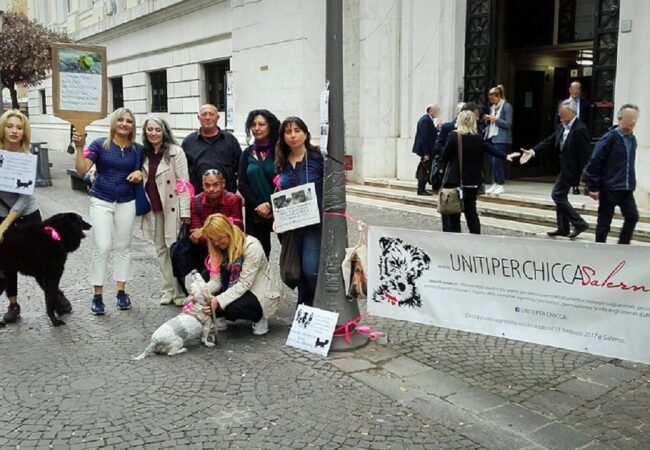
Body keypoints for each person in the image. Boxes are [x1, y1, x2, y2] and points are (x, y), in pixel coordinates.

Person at [0, 110, 72, 324]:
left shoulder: (27, 158)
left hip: (28, 213)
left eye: (19, 127)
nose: (14, 131)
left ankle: (55, 296)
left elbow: (24, 198)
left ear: (25, 132)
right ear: (2, 129)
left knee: (42, 260)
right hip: (1, 213)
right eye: (10, 126)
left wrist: (5, 225)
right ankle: (13, 305)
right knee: (7, 261)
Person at [73, 107, 143, 315]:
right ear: (114, 122)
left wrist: (140, 173)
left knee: (123, 246)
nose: (124, 124)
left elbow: (144, 170)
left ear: (133, 126)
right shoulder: (100, 144)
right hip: (101, 199)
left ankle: (121, 291)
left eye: (128, 121)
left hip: (126, 201)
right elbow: (82, 169)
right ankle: (97, 295)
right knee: (102, 246)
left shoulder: (137, 149)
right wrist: (79, 147)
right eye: (120, 120)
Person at [519, 101, 591, 239]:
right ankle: (563, 228)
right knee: (561, 196)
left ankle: (579, 223)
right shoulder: (561, 126)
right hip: (564, 167)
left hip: (573, 169)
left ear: (572, 112)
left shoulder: (580, 129)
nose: (560, 115)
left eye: (562, 112)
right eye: (559, 112)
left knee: (557, 195)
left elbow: (585, 154)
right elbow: (549, 141)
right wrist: (532, 152)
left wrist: (585, 174)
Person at [439, 110, 518, 234]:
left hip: (455, 180)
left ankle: (455, 238)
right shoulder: (478, 138)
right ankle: (476, 237)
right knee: (471, 212)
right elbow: (490, 149)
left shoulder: (453, 136)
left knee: (454, 212)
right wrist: (505, 156)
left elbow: (444, 156)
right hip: (472, 181)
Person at [141, 116, 192, 306]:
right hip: (153, 208)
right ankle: (167, 289)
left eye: (157, 129)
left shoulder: (175, 152)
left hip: (172, 208)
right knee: (160, 250)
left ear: (164, 132)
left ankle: (179, 291)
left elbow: (184, 183)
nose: (154, 133)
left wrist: (185, 211)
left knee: (174, 250)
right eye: (150, 129)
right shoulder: (143, 154)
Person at [275, 117, 324, 306]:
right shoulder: (281, 161)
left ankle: (318, 305)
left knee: (311, 269)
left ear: (305, 134)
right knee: (298, 270)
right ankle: (304, 308)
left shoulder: (318, 158)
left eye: (297, 130)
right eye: (288, 132)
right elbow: (280, 193)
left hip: (314, 224)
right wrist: (277, 216)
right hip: (291, 226)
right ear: (283, 137)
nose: (293, 135)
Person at [200, 213, 271, 335]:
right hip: (233, 284)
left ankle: (259, 316)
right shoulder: (216, 248)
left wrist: (218, 301)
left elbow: (244, 284)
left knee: (231, 307)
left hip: (255, 289)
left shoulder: (252, 246)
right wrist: (200, 292)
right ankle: (219, 315)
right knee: (205, 277)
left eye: (219, 238)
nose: (216, 243)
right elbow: (215, 281)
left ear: (228, 231)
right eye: (212, 239)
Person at [582, 104, 640, 244]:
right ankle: (600, 247)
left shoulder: (632, 139)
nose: (633, 121)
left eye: (635, 118)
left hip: (626, 187)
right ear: (620, 118)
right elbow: (595, 162)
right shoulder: (610, 138)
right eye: (630, 118)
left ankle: (623, 245)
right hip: (610, 187)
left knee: (632, 216)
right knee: (604, 221)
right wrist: (593, 186)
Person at [238, 109, 281, 258]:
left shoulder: (280, 151)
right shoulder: (247, 153)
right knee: (258, 255)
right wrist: (259, 205)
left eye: (261, 124)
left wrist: (270, 205)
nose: (257, 128)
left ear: (270, 126)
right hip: (256, 211)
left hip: (280, 208)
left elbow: (287, 180)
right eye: (253, 124)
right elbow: (242, 184)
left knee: (291, 254)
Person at [182, 104, 242, 194]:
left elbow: (240, 167)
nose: (207, 117)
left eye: (211, 114)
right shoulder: (188, 141)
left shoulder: (230, 140)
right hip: (198, 196)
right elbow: (182, 171)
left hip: (226, 196)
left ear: (217, 117)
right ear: (198, 118)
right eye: (204, 114)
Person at [190, 169, 243, 243]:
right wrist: (223, 230)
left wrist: (205, 231)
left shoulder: (234, 200)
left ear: (223, 183)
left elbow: (237, 230)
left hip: (229, 245)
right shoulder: (195, 201)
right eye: (207, 185)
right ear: (202, 185)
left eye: (215, 185)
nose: (211, 189)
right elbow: (196, 235)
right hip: (205, 246)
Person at [483, 85, 513, 195]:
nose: (491, 100)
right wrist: (488, 119)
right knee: (492, 162)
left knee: (497, 162)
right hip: (491, 136)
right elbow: (491, 122)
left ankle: (501, 184)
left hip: (501, 138)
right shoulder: (492, 108)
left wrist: (495, 119)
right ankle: (495, 183)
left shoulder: (507, 107)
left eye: (493, 98)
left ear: (499, 96)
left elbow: (508, 124)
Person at [412, 104, 440, 195]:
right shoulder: (425, 120)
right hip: (425, 150)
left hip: (427, 149)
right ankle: (421, 189)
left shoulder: (428, 120)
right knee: (424, 169)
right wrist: (426, 153)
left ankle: (422, 188)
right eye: (436, 110)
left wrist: (437, 128)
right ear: (430, 111)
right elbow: (424, 137)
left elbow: (430, 133)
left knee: (425, 168)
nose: (438, 112)